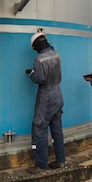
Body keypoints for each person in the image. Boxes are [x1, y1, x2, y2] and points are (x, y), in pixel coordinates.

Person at [25, 32, 66, 173]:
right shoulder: (57, 54)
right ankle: (60, 161)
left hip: (46, 97)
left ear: (36, 45)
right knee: (57, 130)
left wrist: (31, 74)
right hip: (58, 95)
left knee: (39, 130)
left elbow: (39, 79)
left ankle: (41, 165)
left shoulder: (39, 60)